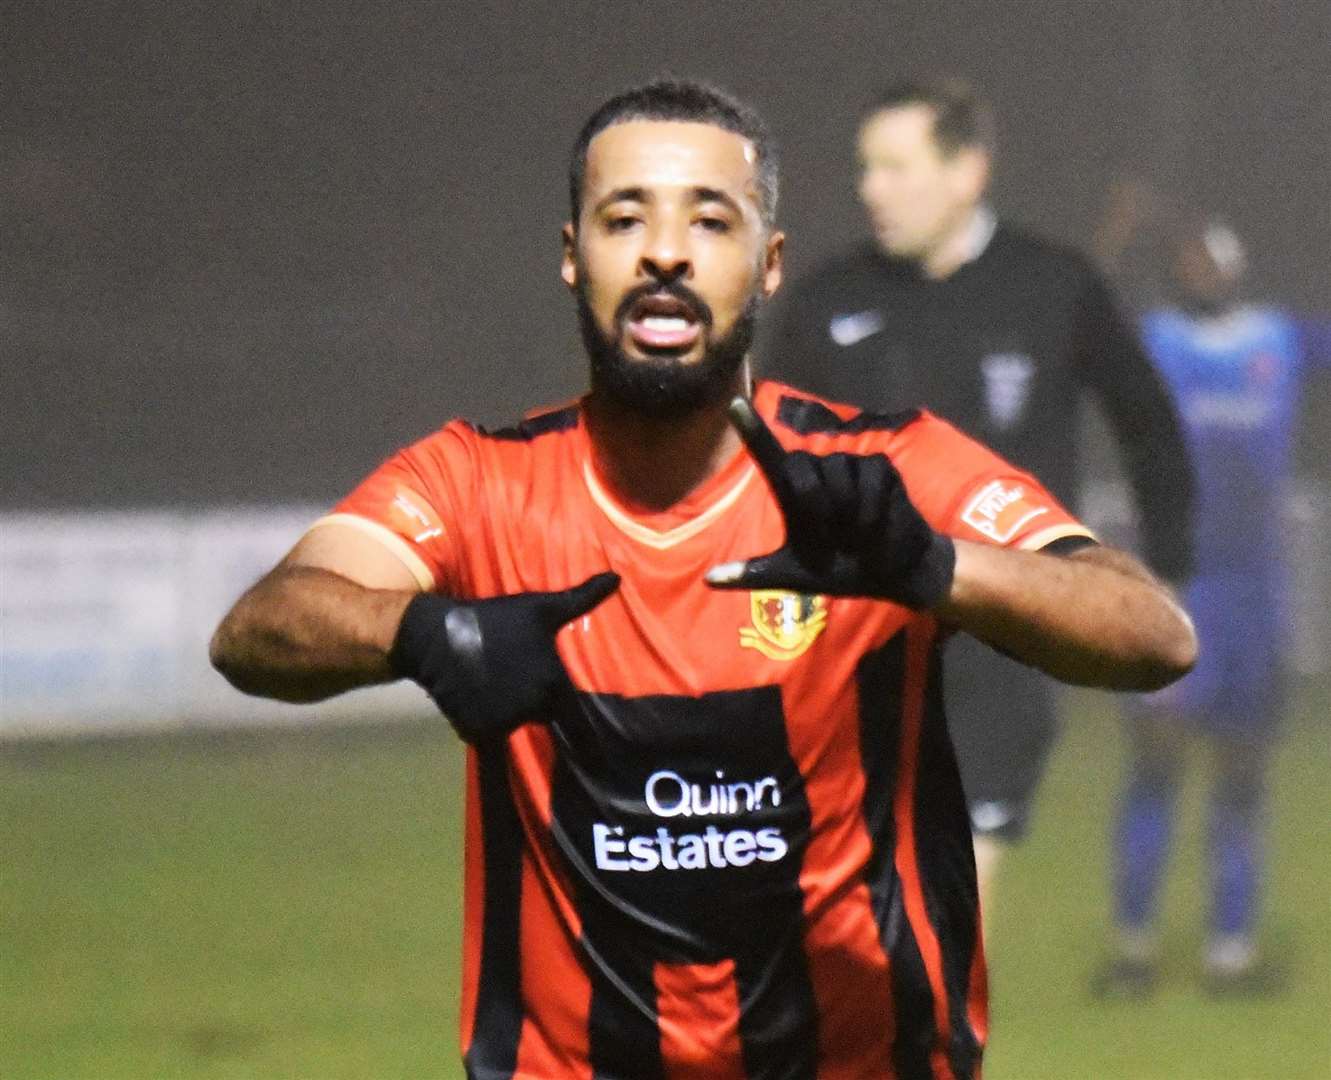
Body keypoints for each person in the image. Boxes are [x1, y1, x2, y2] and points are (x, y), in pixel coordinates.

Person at [210, 78, 1195, 1079]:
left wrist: (933, 567)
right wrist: (424, 637)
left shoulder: (887, 476)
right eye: (623, 217)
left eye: (709, 220)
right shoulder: (474, 481)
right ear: (570, 256)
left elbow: (1150, 632)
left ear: (766, 266)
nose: (664, 251)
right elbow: (258, 627)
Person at [764, 77, 1196, 914]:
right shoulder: (827, 303)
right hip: (850, 644)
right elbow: (761, 460)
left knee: (947, 910)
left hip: (997, 634)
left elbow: (1147, 423)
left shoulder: (1053, 286)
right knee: (829, 914)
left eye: (894, 166)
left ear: (967, 171)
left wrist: (1166, 565)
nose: (870, 189)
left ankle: (936, 1044)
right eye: (865, 167)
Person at [1094, 216, 1331, 997]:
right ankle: (1132, 951)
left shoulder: (1279, 341)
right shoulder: (1155, 340)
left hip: (1255, 596)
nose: (1204, 271)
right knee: (1154, 766)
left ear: (1238, 269)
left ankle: (1229, 954)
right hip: (1172, 583)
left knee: (1241, 777)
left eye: (1216, 261)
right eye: (1191, 258)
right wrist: (1110, 235)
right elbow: (1081, 323)